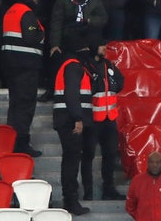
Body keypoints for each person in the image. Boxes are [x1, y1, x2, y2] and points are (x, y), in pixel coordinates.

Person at [2, 0, 45, 158]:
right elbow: (31, 37)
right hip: (26, 66)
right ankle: (21, 143)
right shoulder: (26, 12)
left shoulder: (11, 11)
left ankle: (12, 142)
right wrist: (41, 32)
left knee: (16, 106)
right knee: (25, 106)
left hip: (12, 65)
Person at [53, 45, 95, 216]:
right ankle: (71, 201)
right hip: (70, 121)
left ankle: (69, 199)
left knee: (70, 160)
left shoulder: (69, 65)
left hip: (66, 119)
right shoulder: (73, 67)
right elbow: (72, 94)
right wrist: (78, 118)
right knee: (71, 161)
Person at [82, 47, 126, 202]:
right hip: (92, 119)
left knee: (110, 154)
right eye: (101, 46)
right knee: (88, 156)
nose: (104, 49)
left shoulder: (110, 65)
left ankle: (109, 189)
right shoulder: (86, 66)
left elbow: (120, 82)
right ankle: (88, 191)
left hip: (110, 118)